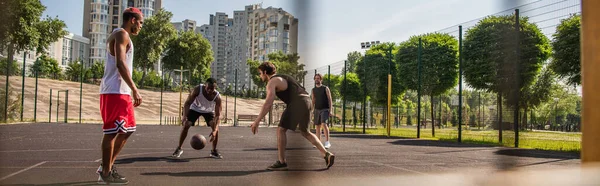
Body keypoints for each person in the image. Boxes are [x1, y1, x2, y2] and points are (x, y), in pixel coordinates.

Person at [251, 62, 335, 171]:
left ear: (265, 72)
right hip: (307, 101)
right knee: (305, 132)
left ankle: (282, 162)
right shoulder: (284, 77)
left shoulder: (272, 81)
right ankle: (326, 154)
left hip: (298, 102)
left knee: (281, 130)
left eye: (260, 73)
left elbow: (268, 103)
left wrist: (257, 121)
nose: (260, 76)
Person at [95, 7, 144, 184]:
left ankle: (106, 167)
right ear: (132, 20)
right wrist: (135, 88)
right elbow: (120, 63)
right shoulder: (121, 35)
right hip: (115, 91)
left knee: (127, 130)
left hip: (119, 92)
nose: (140, 26)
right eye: (140, 22)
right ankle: (105, 173)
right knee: (112, 133)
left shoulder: (121, 35)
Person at [172, 78, 223, 159]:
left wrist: (214, 131)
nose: (209, 90)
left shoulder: (217, 97)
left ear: (215, 88)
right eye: (208, 88)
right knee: (186, 125)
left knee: (215, 127)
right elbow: (187, 103)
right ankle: (179, 148)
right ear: (205, 85)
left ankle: (214, 151)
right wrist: (184, 116)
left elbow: (218, 115)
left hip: (208, 111)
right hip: (195, 108)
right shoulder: (197, 89)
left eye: (212, 89)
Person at [311, 74, 332, 149]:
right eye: (315, 78)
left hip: (325, 109)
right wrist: (311, 111)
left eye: (318, 78)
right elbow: (313, 100)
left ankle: (327, 142)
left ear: (321, 80)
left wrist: (330, 110)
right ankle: (318, 142)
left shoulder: (325, 88)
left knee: (324, 124)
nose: (317, 79)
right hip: (317, 109)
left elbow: (330, 99)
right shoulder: (313, 90)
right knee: (317, 126)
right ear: (314, 80)